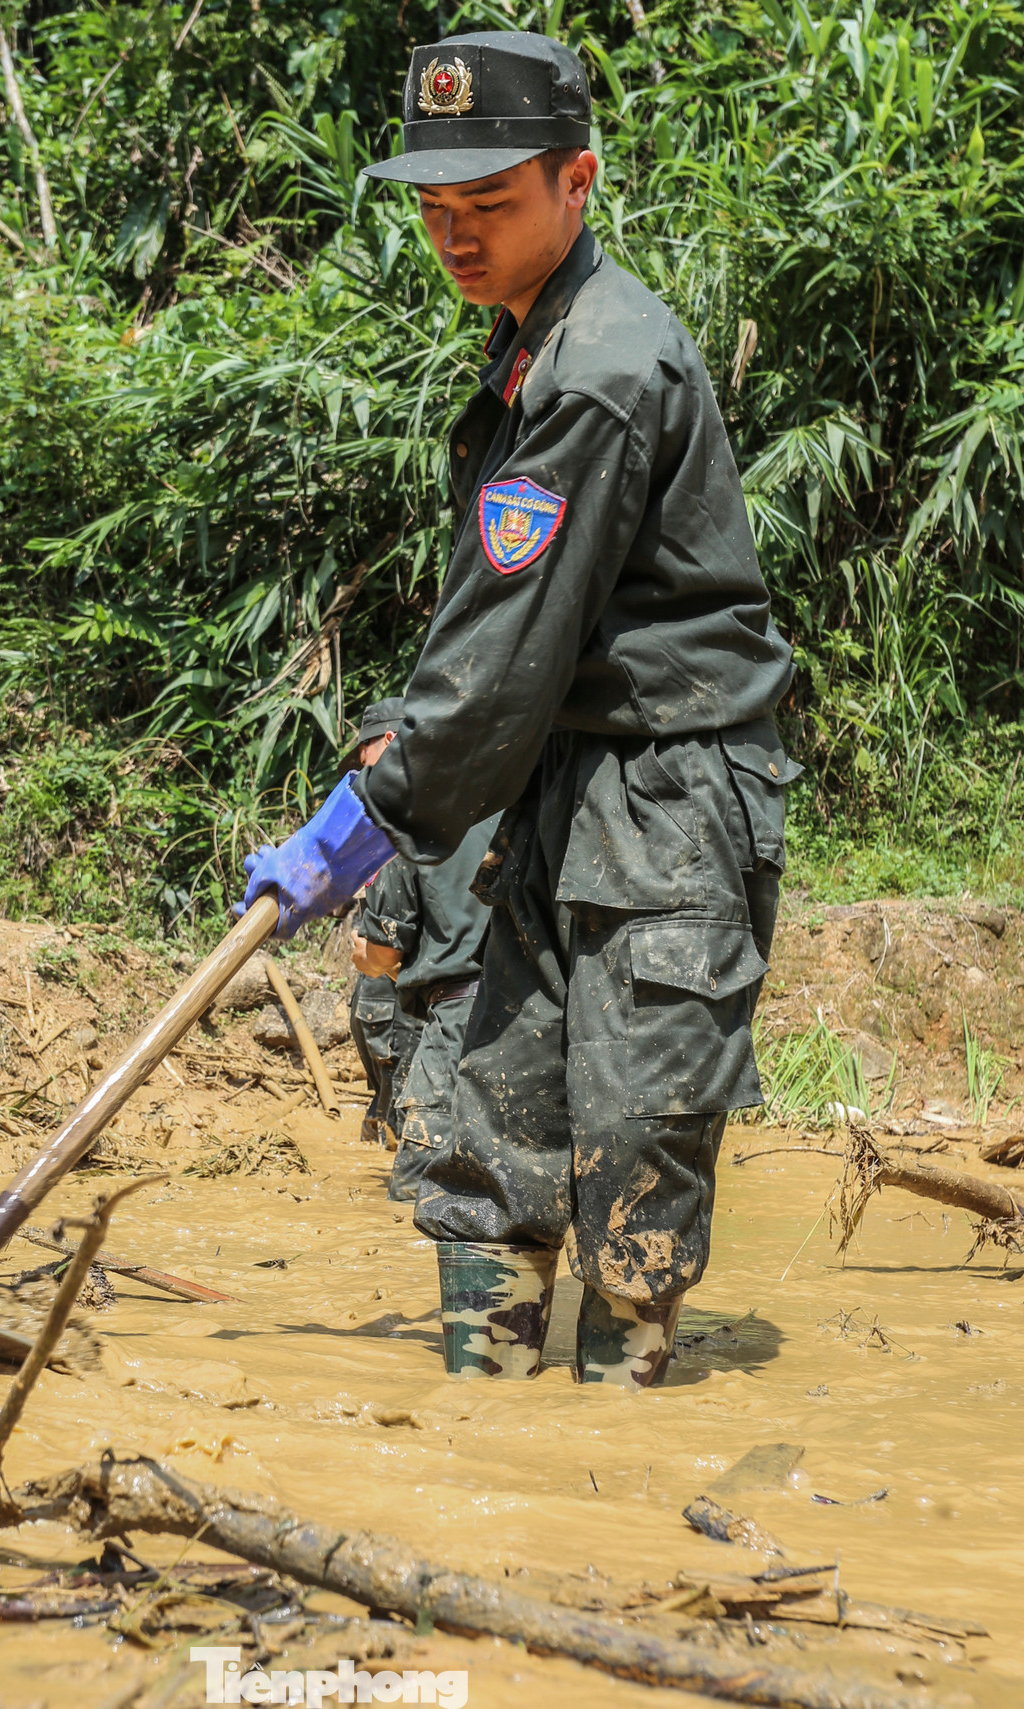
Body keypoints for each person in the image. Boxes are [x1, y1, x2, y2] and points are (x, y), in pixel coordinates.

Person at [240, 31, 796, 1389]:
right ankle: (484, 1445)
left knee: (630, 1160)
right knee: (485, 1129)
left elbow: (503, 647)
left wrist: (368, 812)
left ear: (577, 182)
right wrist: (406, 744)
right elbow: (496, 625)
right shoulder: (530, 354)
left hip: (659, 801)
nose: (456, 237)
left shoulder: (601, 370)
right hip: (541, 780)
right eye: (435, 211)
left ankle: (614, 1475)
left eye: (487, 206)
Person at [356, 808, 498, 1200]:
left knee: (419, 1184)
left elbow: (383, 953)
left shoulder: (414, 821)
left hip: (456, 1017)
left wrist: (366, 960)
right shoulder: (524, 799)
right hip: (537, 1015)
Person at [341, 700, 424, 1149]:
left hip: (403, 956)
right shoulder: (377, 812)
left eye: (365, 750)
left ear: (389, 741)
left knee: (401, 1064)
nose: (360, 763)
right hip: (380, 945)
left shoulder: (418, 814)